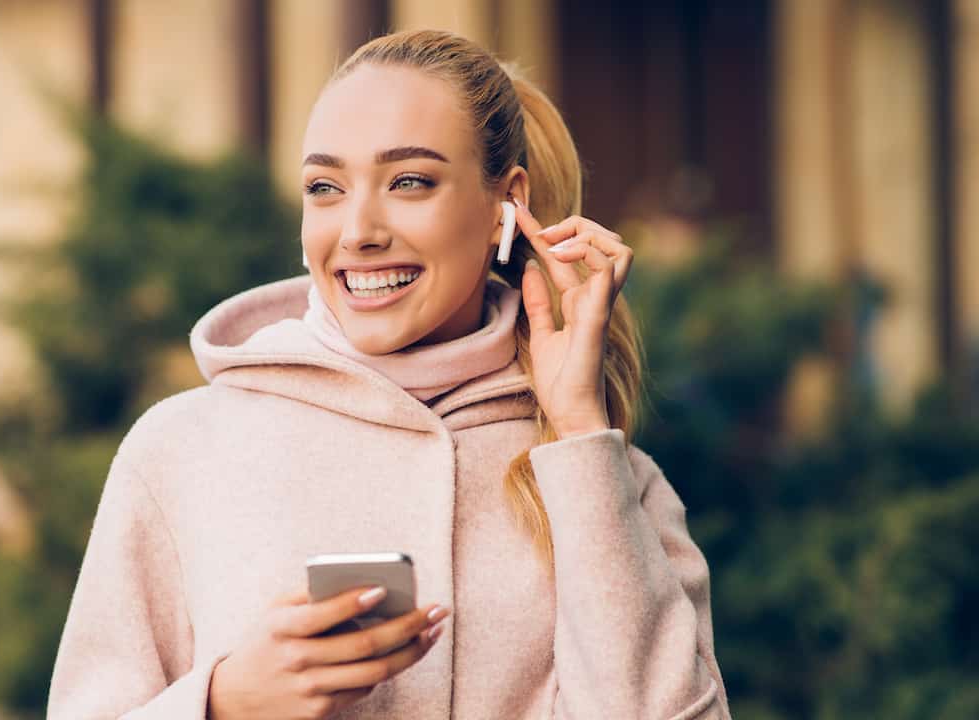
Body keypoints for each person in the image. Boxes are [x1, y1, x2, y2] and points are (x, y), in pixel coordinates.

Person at [47, 29, 731, 720]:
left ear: (508, 203)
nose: (358, 230)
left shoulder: (612, 482)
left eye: (410, 181)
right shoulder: (180, 451)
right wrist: (225, 703)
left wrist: (580, 431)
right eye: (325, 187)